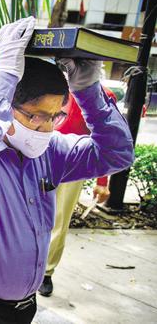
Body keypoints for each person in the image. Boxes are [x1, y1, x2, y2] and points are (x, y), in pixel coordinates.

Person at [0, 17, 134, 324]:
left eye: (55, 116)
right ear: (6, 106)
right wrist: (5, 77)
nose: (47, 127)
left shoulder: (50, 151)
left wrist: (88, 90)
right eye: (36, 116)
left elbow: (116, 153)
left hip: (24, 307)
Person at [38, 85, 117, 297]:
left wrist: (102, 179)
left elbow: (105, 138)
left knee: (59, 218)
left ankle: (46, 272)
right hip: (36, 152)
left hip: (72, 162)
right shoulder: (52, 82)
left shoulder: (102, 95)